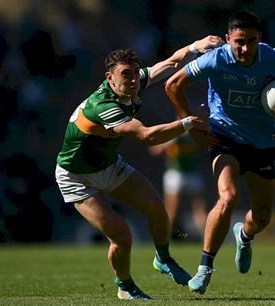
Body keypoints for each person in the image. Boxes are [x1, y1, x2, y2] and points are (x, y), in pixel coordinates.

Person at [55, 35, 223, 300]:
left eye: (135, 73)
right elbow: (147, 136)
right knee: (122, 235)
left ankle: (163, 259)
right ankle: (125, 286)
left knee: (157, 210)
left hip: (108, 165)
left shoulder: (131, 84)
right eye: (125, 74)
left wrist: (194, 47)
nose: (133, 79)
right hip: (77, 177)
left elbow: (168, 63)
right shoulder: (104, 106)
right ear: (109, 78)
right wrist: (189, 122)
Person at [165, 11, 275, 294]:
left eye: (251, 42)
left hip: (262, 142)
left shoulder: (274, 60)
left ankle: (244, 235)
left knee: (263, 217)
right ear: (228, 39)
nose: (244, 48)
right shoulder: (216, 58)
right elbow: (172, 85)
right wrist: (190, 124)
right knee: (228, 196)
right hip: (224, 138)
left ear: (260, 39)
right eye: (239, 41)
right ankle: (204, 269)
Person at [149, 133, 208, 240]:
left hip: (176, 174)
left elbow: (157, 150)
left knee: (172, 210)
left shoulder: (177, 132)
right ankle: (206, 237)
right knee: (199, 208)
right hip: (192, 174)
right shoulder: (194, 132)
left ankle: (164, 239)